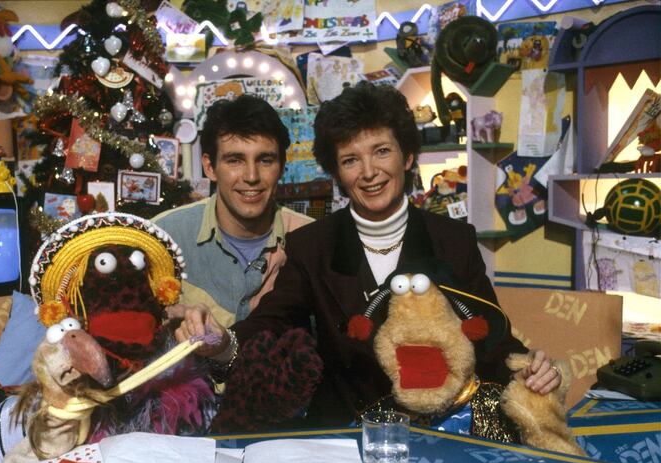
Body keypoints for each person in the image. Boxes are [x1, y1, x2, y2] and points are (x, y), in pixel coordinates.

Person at [178, 82, 562, 429]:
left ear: (407, 157)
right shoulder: (313, 246)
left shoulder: (453, 239)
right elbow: (268, 326)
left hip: (441, 432)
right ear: (336, 172)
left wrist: (528, 369)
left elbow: (492, 340)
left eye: (381, 152)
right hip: (345, 433)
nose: (369, 172)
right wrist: (223, 342)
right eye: (350, 160)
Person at [153, 94, 312, 328]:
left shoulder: (310, 240)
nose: (251, 177)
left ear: (282, 167)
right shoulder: (163, 236)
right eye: (235, 160)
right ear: (210, 167)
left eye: (265, 160)